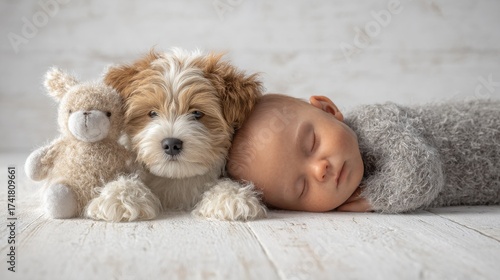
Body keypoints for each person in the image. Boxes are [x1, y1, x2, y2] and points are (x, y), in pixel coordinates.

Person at [226, 94, 500, 213]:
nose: (319, 169)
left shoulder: (375, 122)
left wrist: (375, 198)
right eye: (301, 187)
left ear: (328, 110)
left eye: (311, 144)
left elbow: (422, 176)